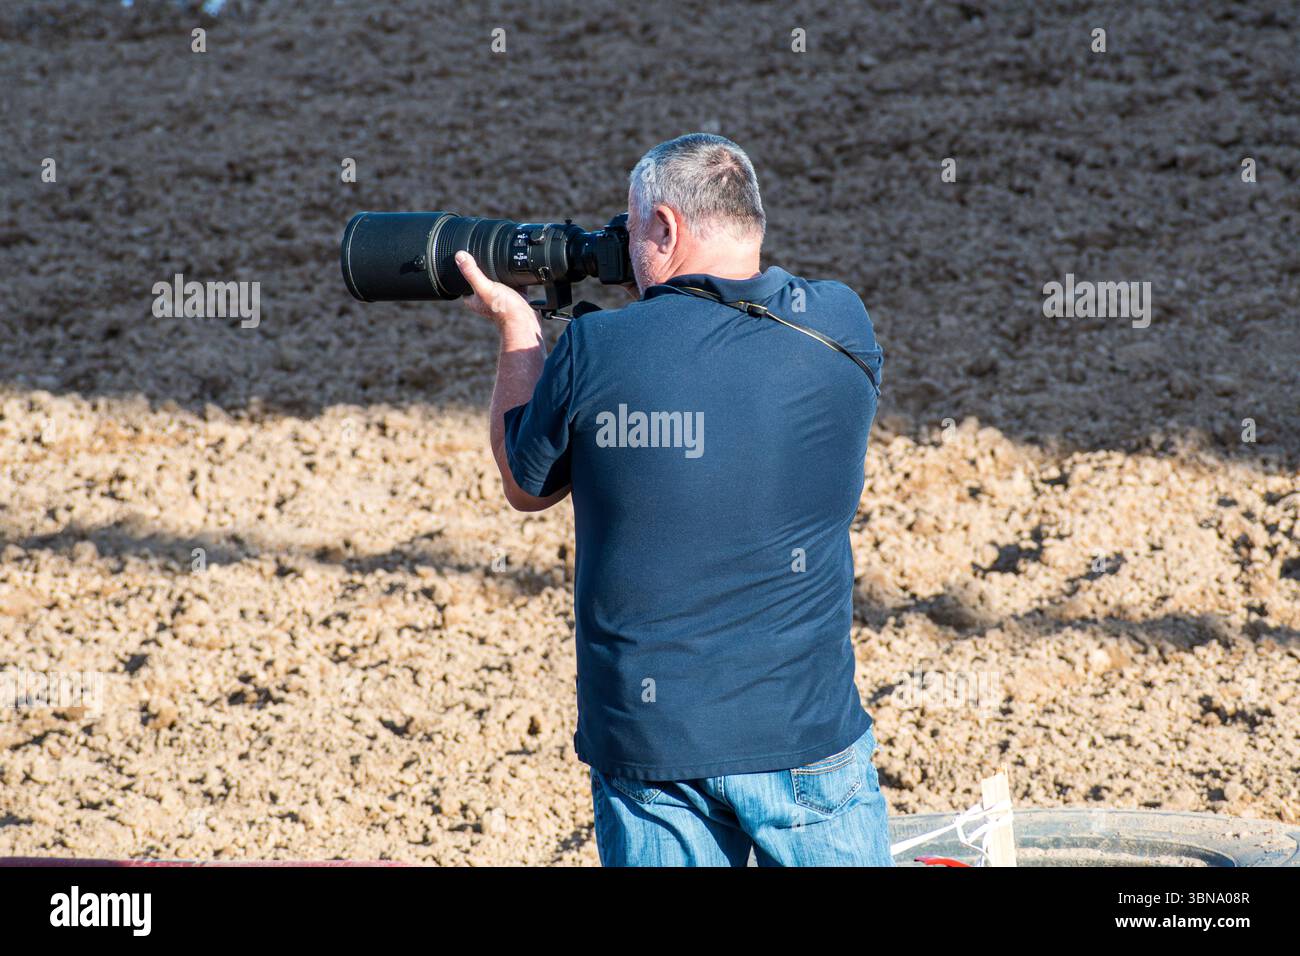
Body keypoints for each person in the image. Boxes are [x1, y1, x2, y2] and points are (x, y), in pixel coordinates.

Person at [454, 133, 889, 866]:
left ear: (665, 226)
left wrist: (520, 332)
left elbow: (525, 486)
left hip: (653, 743)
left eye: (629, 230)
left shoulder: (598, 348)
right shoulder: (843, 325)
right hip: (805, 731)